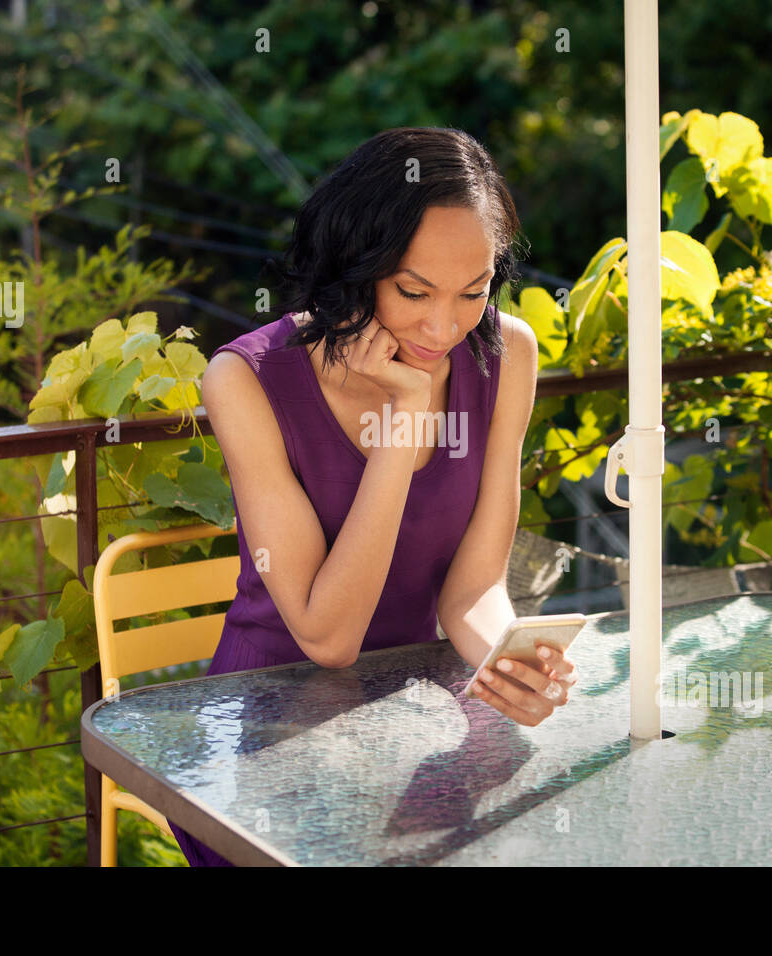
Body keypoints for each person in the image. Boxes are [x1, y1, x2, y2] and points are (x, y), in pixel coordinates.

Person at [168, 127, 580, 866]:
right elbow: (328, 639)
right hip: (275, 722)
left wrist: (506, 666)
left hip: (426, 710)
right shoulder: (247, 380)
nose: (443, 326)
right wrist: (406, 420)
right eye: (413, 292)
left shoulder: (505, 354)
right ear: (356, 269)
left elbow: (474, 586)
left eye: (473, 292)